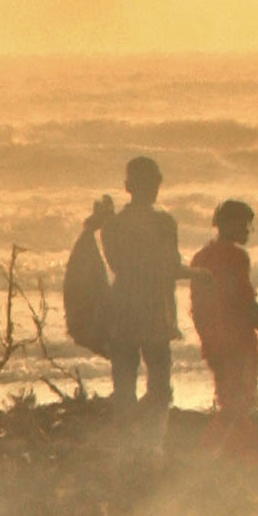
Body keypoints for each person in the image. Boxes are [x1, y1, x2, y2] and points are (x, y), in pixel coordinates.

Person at [187, 199, 258, 459]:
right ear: (226, 224)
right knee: (238, 406)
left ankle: (230, 455)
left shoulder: (200, 257)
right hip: (237, 342)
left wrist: (208, 338)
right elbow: (246, 303)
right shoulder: (235, 257)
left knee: (230, 403)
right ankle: (226, 456)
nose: (248, 231)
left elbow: (197, 307)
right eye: (244, 225)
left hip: (214, 343)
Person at [96, 155, 183, 412]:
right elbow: (171, 267)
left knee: (123, 384)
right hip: (154, 309)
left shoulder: (112, 225)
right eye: (154, 183)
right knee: (159, 384)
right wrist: (200, 275)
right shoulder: (164, 223)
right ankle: (150, 439)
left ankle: (127, 438)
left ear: (127, 187)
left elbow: (115, 264)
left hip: (122, 307)